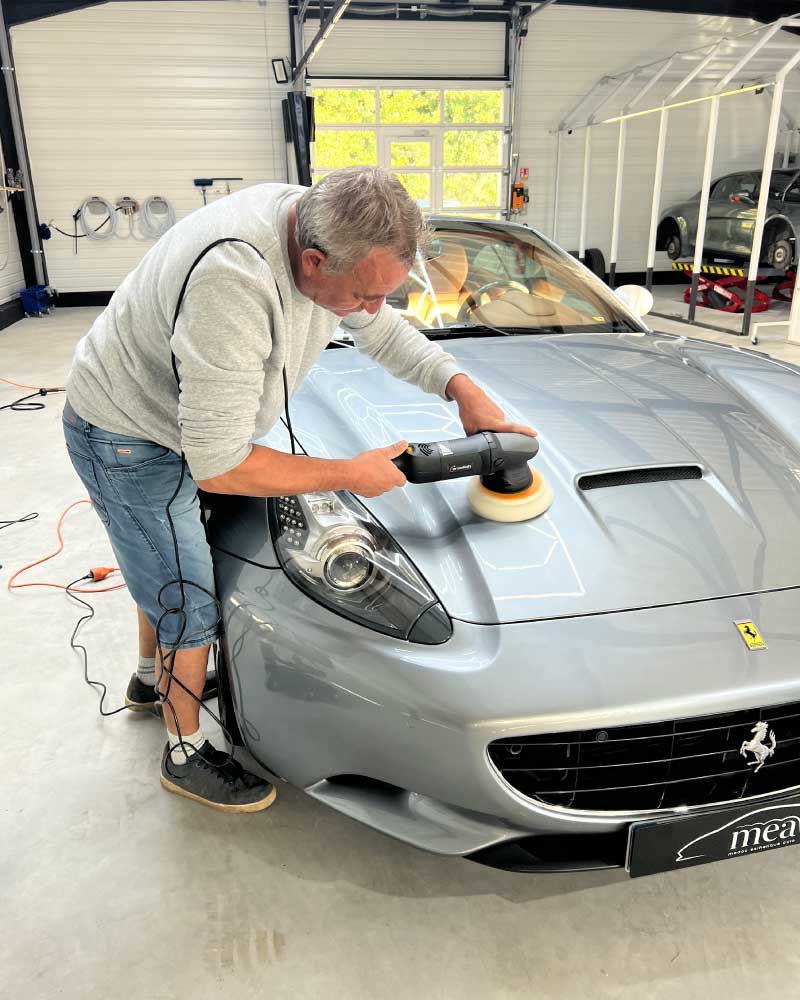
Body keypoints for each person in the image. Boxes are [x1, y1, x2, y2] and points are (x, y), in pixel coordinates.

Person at [62, 167, 535, 813]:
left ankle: (151, 683)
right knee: (184, 592)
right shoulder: (234, 280)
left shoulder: (323, 230)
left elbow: (381, 330)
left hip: (176, 419)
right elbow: (220, 466)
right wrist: (350, 472)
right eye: (363, 294)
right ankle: (184, 753)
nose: (372, 308)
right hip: (125, 431)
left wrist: (463, 390)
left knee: (161, 562)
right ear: (313, 261)